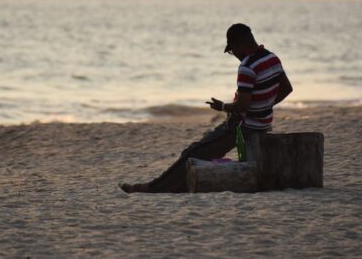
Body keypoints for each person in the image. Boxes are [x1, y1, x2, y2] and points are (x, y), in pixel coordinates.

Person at [119, 23, 293, 193]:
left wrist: (222, 106)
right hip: (263, 122)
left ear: (240, 45)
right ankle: (178, 185)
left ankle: (153, 188)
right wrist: (264, 105)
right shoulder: (272, 58)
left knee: (192, 153)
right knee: (200, 150)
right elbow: (287, 89)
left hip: (243, 126)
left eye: (232, 51)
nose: (234, 55)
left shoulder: (247, 67)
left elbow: (242, 105)